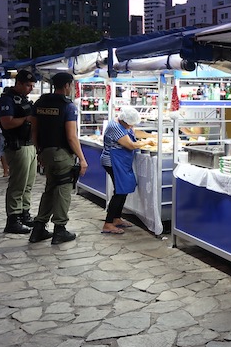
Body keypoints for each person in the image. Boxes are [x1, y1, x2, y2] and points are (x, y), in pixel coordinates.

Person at [29, 72, 88, 244]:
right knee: (63, 190)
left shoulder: (40, 103)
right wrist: (82, 159)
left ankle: (39, 228)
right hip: (61, 153)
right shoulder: (67, 106)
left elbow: (34, 130)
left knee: (50, 188)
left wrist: (39, 151)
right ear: (68, 85)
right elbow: (71, 136)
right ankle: (59, 229)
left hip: (45, 151)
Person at [0, 70, 38, 234]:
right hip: (17, 146)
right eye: (28, 85)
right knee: (18, 185)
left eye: (32, 85)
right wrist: (26, 119)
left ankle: (24, 214)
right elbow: (7, 123)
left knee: (28, 184)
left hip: (29, 145)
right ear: (18, 83)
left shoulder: (24, 100)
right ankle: (13, 220)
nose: (30, 88)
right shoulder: (6, 100)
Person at [100, 106, 149, 235]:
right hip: (113, 162)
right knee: (120, 192)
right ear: (124, 121)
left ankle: (116, 218)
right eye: (130, 124)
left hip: (121, 162)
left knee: (123, 189)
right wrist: (147, 142)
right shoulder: (115, 127)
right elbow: (130, 145)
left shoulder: (123, 123)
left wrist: (150, 136)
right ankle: (108, 223)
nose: (131, 127)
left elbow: (134, 133)